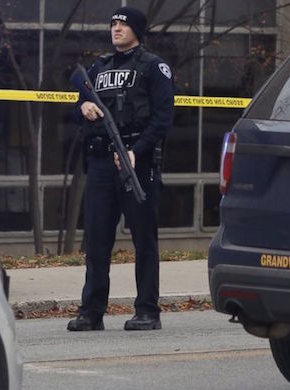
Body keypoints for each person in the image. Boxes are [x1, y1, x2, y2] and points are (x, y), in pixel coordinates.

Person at [67, 6, 174, 331]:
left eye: (122, 25)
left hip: (137, 163)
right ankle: (92, 311)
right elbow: (79, 107)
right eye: (113, 24)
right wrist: (81, 105)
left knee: (144, 238)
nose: (115, 29)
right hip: (101, 162)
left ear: (137, 31)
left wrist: (135, 152)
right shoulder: (99, 68)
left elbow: (163, 118)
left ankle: (147, 311)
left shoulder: (154, 67)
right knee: (97, 238)